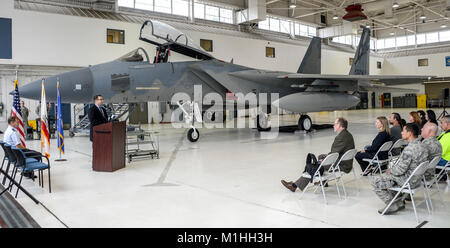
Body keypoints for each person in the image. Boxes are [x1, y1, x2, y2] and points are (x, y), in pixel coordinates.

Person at [280, 118, 355, 192]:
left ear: (339, 125)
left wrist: (323, 161)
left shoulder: (340, 137)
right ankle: (323, 182)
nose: (333, 126)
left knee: (314, 166)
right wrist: (325, 157)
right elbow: (337, 152)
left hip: (341, 165)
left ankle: (294, 186)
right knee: (321, 156)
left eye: (335, 124)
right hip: (345, 162)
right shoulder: (347, 134)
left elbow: (334, 153)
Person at [370, 123, 428, 214]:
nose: (401, 133)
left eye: (404, 131)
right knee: (386, 178)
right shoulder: (422, 145)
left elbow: (400, 170)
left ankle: (392, 204)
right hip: (417, 180)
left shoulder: (410, 149)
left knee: (375, 180)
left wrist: (390, 171)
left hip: (406, 180)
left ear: (409, 133)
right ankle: (399, 202)